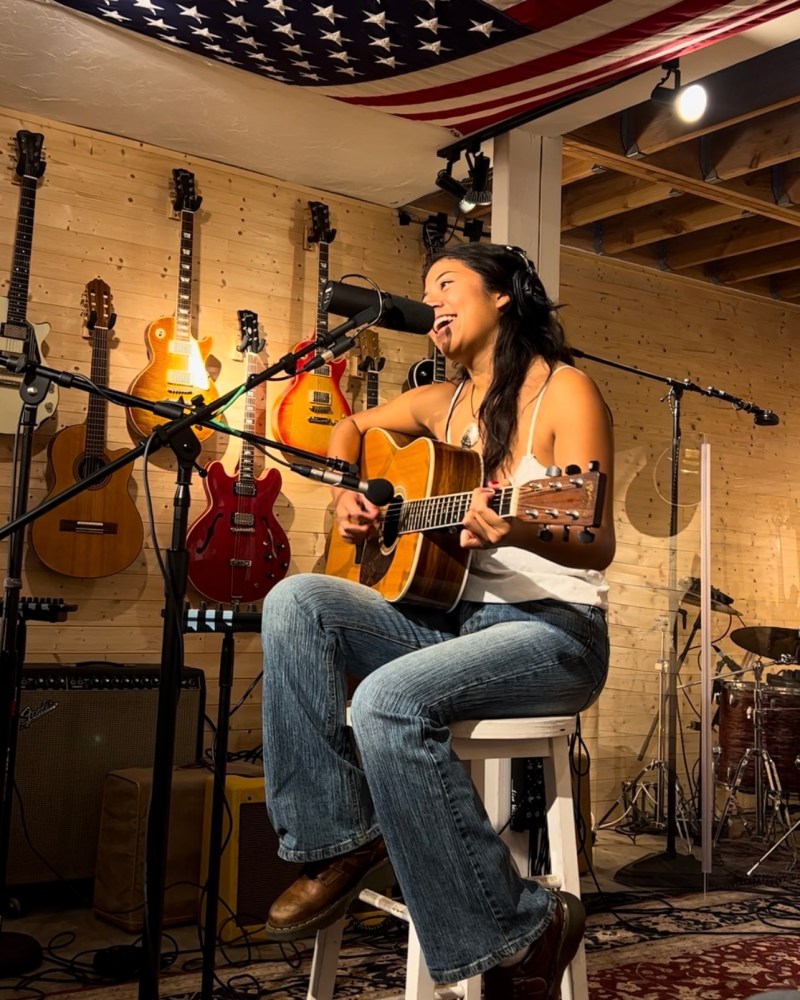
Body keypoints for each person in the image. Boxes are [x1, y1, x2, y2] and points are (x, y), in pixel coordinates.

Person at [260, 242, 615, 999]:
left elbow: (595, 534)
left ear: (503, 295)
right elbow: (348, 428)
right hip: (454, 623)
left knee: (388, 701)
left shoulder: (566, 391)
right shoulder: (438, 404)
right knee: (295, 601)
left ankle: (525, 928)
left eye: (447, 284)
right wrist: (351, 493)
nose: (432, 302)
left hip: (553, 632)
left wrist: (521, 527)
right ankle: (340, 839)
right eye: (427, 292)